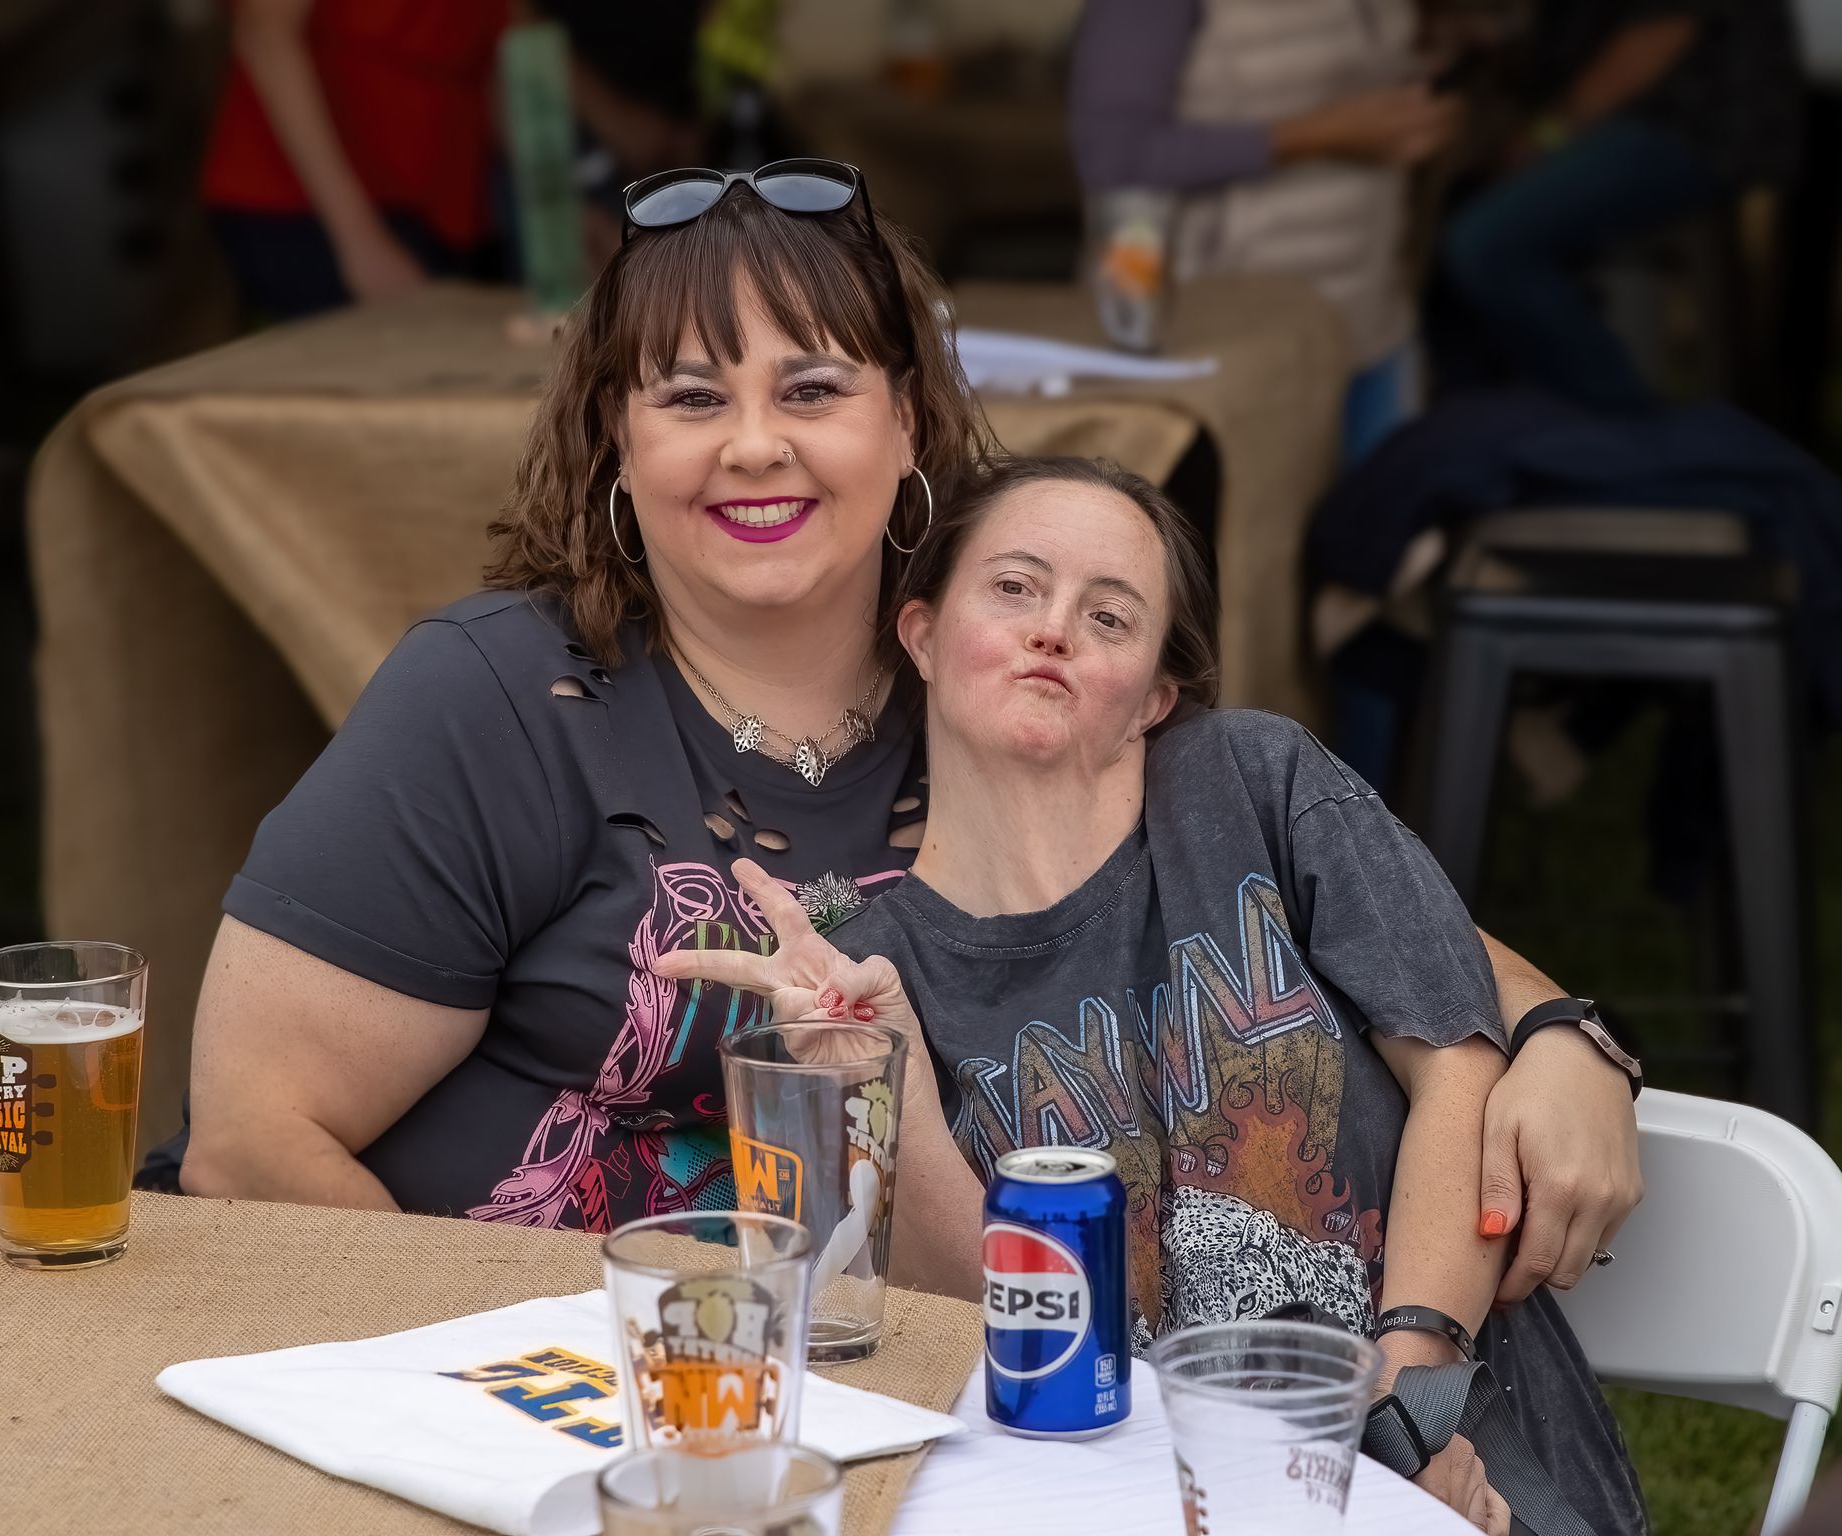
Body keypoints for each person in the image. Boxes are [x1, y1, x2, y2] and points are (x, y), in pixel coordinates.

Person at [162, 165, 1641, 1314]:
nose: (756, 444)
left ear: (910, 425)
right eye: (692, 398)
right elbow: (249, 1139)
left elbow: (1290, 876)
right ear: (620, 445)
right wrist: (501, 1392)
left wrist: (1564, 1036)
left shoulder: (999, 676)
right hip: (506, 1391)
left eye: (812, 390)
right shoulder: (495, 704)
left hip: (914, 1393)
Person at [658, 456, 1647, 1533]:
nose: (1055, 630)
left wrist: (1402, 1421)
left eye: (1111, 616)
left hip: (1458, 1459)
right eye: (1015, 588)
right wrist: (884, 1081)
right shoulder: (868, 968)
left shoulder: (1251, 786)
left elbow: (1460, 1070)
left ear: (1156, 696)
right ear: (923, 635)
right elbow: (987, 1323)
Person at [1070, 0, 1460, 463]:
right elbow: (1113, 157)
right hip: (1222, 332)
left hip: (1372, 306)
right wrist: (1318, 134)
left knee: (1388, 514)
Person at [1441, 0, 1803, 411]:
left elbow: (1662, 28)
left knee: (1485, 244)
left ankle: (1631, 429)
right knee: (1462, 220)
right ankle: (1487, 427)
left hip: (1689, 125)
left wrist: (1545, 136)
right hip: (1616, 121)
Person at [202, 0, 512, 317]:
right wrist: (361, 243)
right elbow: (264, 34)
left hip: (448, 209)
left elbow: (506, 67)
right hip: (302, 206)